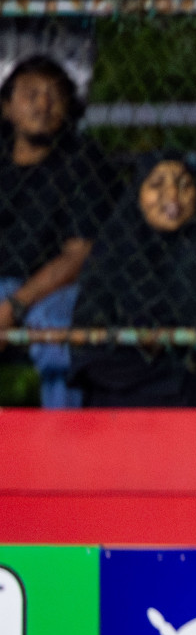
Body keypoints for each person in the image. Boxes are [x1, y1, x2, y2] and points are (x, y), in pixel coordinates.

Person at [68, 153, 196, 407]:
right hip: (134, 389)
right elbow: (88, 351)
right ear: (137, 195)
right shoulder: (111, 258)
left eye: (184, 184)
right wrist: (144, 349)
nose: (172, 196)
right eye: (157, 184)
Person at [0, 55, 117, 407]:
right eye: (31, 94)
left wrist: (15, 305)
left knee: (61, 330)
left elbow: (78, 254)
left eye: (54, 95)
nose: (43, 104)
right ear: (6, 107)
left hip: (53, 287)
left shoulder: (81, 161)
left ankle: (66, 444)